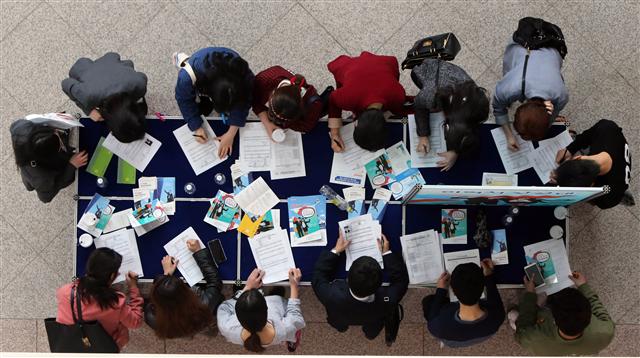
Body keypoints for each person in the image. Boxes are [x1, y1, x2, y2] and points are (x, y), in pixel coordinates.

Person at [312, 232, 409, 340]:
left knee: (340, 323)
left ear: (348, 279)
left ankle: (342, 328)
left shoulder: (330, 295)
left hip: (340, 317)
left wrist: (335, 251)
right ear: (379, 284)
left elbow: (318, 277)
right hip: (374, 318)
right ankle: (369, 335)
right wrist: (386, 253)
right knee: (372, 330)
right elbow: (401, 280)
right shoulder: (389, 298)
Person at [55, 248, 143, 351]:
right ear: (112, 276)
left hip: (74, 344)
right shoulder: (115, 303)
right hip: (105, 345)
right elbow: (136, 322)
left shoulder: (64, 292)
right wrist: (133, 287)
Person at [173, 47, 254, 158]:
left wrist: (231, 133)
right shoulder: (185, 79)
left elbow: (245, 100)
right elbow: (184, 100)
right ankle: (181, 59)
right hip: (198, 76)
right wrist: (196, 126)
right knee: (203, 108)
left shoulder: (244, 74)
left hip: (224, 76)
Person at [411, 59, 490, 171]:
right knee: (426, 98)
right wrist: (423, 135)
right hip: (423, 72)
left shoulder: (476, 101)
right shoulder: (430, 94)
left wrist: (455, 151)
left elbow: (470, 125)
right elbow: (419, 106)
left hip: (447, 76)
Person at [512, 271, 614, 355]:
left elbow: (521, 330)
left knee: (513, 315)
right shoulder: (606, 332)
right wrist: (583, 285)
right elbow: (599, 310)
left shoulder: (532, 338)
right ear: (589, 316)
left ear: (554, 320)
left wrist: (530, 294)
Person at [493, 37, 568, 150]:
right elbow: (498, 108)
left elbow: (552, 117)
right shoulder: (508, 88)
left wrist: (550, 119)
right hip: (523, 47)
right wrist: (509, 136)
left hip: (551, 51)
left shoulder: (561, 95)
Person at [326, 51, 409, 152]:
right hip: (355, 68)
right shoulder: (347, 97)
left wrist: (335, 133)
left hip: (380, 65)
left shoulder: (397, 95)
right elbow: (333, 100)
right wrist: (334, 134)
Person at [144, 239, 224, 339]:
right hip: (199, 322)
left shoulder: (151, 317)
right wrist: (198, 251)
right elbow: (215, 283)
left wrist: (166, 275)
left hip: (186, 328)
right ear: (186, 292)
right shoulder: (203, 306)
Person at [62, 52, 148, 143]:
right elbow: (65, 84)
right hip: (87, 70)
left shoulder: (139, 84)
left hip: (112, 62)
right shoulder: (88, 96)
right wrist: (88, 110)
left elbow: (142, 76)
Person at [217, 268, 305, 352]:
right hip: (277, 304)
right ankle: (291, 341)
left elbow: (225, 307)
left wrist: (248, 287)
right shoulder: (286, 329)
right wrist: (294, 285)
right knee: (293, 331)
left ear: (237, 315)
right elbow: (294, 312)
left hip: (275, 311)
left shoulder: (227, 327)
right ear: (267, 308)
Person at [422, 260, 504, 347]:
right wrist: (488, 275)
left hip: (453, 341)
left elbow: (432, 314)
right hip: (480, 333)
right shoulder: (498, 314)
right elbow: (493, 293)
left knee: (428, 302)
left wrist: (441, 290)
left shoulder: (436, 325)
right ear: (482, 290)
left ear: (452, 291)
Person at [552, 119, 633, 209]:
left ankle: (624, 195)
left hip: (618, 185)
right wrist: (570, 149)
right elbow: (587, 136)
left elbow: (593, 200)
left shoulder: (607, 199)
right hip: (619, 154)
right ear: (577, 157)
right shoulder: (606, 127)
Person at [10, 117, 88, 203]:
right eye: (59, 144)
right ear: (49, 155)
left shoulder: (22, 130)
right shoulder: (42, 180)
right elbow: (45, 198)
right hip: (46, 177)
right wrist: (72, 165)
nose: (57, 133)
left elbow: (15, 126)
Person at [252, 66, 332, 136]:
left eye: (282, 121)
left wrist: (287, 125)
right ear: (272, 93)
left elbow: (306, 127)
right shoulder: (265, 79)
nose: (275, 121)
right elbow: (254, 100)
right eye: (272, 114)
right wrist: (267, 123)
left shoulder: (314, 104)